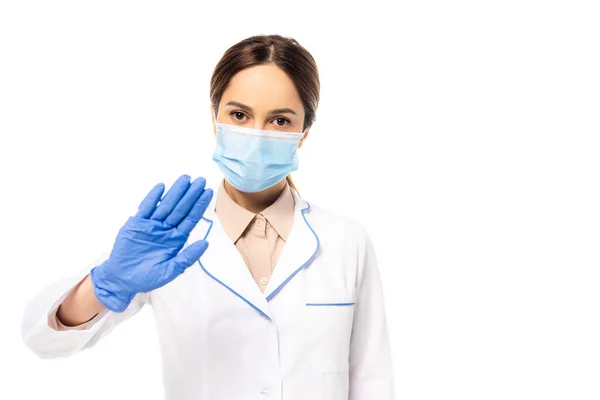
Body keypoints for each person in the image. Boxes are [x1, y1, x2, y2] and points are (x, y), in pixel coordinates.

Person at [21, 34, 396, 400]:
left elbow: (372, 379)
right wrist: (107, 283)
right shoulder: (169, 237)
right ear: (214, 118)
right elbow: (44, 341)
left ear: (304, 132)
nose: (256, 134)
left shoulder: (345, 240)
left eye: (279, 121)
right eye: (239, 114)